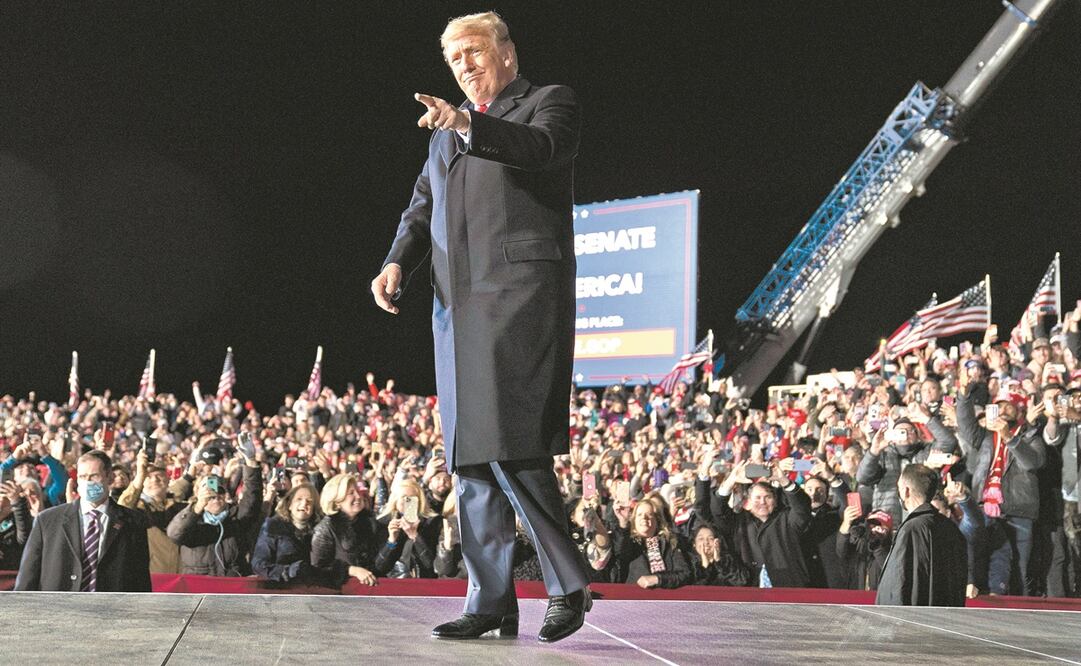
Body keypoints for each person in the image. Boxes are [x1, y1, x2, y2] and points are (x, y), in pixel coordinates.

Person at [370, 11, 590, 642]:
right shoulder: (444, 132)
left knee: (511, 442)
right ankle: (490, 599)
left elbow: (540, 150)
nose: (463, 65)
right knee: (469, 454)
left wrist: (468, 125)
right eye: (453, 58)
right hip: (455, 307)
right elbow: (422, 205)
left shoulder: (547, 103)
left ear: (507, 54)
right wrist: (396, 261)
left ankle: (569, 584)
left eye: (473, 51)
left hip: (516, 298)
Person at [14, 450, 151, 592]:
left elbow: (140, 579)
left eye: (94, 476)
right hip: (58, 604)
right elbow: (27, 576)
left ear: (110, 478)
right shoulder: (47, 520)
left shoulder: (133, 521)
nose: (88, 482)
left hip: (109, 604)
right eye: (83, 477)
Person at [876, 464, 967, 606]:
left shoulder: (910, 530)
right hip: (947, 617)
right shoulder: (952, 529)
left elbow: (896, 584)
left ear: (906, 491)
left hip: (911, 617)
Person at [251, 483, 345, 588]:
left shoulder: (321, 530)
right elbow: (259, 564)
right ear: (289, 504)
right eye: (299, 499)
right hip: (280, 589)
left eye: (309, 501)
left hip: (314, 590)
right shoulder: (273, 525)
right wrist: (290, 571)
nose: (304, 503)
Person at [311, 474, 381, 586]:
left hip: (373, 588)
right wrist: (351, 570)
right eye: (351, 493)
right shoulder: (325, 529)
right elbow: (318, 567)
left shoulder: (370, 524)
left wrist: (392, 542)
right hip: (343, 591)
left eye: (358, 491)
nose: (358, 496)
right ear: (337, 501)